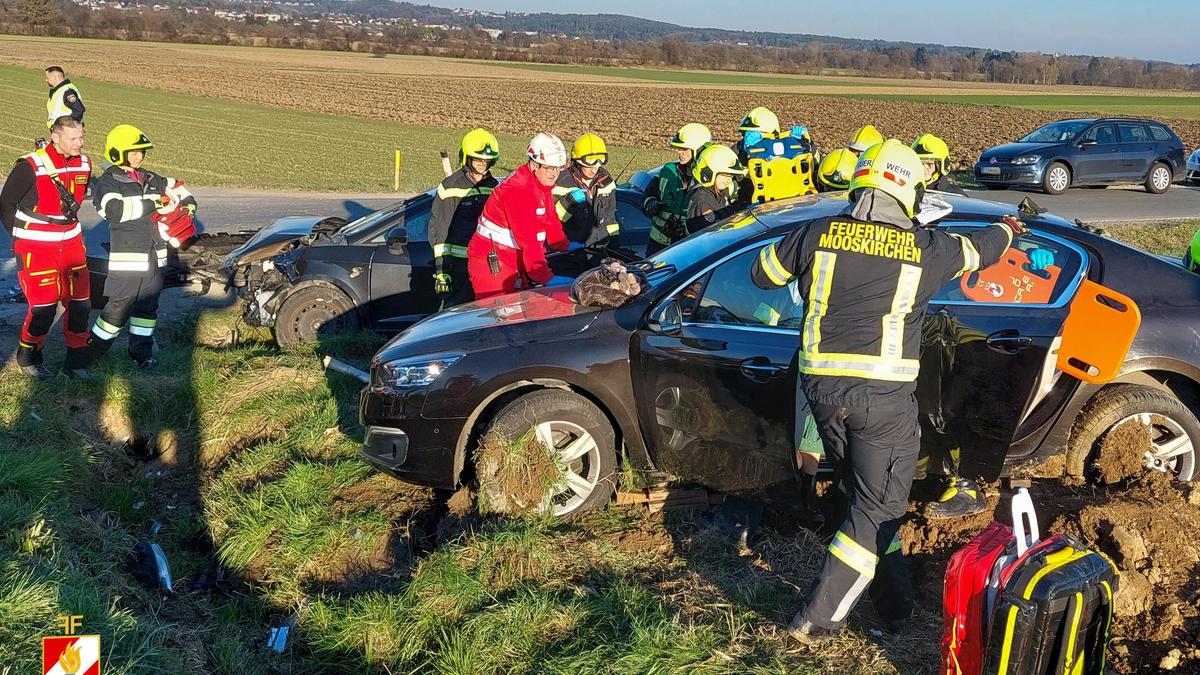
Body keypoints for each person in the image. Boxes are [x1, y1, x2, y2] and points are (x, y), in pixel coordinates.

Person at [750, 139, 1028, 642]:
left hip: (823, 394)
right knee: (878, 505)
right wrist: (1007, 229)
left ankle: (897, 607)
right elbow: (982, 251)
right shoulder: (927, 247)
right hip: (883, 403)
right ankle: (818, 619)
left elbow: (762, 273)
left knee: (868, 499)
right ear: (908, 193)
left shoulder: (817, 234)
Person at [86, 124, 197, 368]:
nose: (139, 156)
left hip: (154, 260)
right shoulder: (109, 181)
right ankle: (92, 353)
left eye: (141, 152)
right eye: (133, 152)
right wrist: (154, 203)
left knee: (147, 311)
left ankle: (142, 355)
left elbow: (179, 187)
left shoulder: (151, 178)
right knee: (117, 310)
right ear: (117, 153)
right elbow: (113, 210)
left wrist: (188, 207)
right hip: (128, 261)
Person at [0, 116, 93, 378]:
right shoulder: (31, 165)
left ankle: (76, 362)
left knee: (80, 304)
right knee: (43, 307)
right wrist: (18, 237)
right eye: (73, 138)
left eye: (82, 137)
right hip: (36, 246)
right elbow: (6, 204)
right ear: (55, 136)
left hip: (72, 243)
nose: (80, 143)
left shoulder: (85, 163)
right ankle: (29, 354)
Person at [467, 132, 571, 300]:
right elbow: (529, 240)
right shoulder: (519, 189)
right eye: (549, 168)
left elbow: (550, 221)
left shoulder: (542, 186)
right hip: (493, 262)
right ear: (534, 164)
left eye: (558, 168)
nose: (554, 173)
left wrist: (564, 245)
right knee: (498, 317)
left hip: (514, 260)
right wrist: (546, 278)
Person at [430, 128, 500, 308]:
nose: (482, 164)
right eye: (478, 159)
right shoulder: (450, 186)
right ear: (466, 157)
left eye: (486, 160)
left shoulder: (494, 186)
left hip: (486, 264)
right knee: (453, 314)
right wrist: (441, 271)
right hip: (458, 267)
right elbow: (440, 230)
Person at [644, 123, 712, 255]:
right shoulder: (667, 171)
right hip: (658, 245)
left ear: (699, 150)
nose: (679, 153)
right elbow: (648, 195)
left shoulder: (709, 179)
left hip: (689, 246)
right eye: (678, 149)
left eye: (684, 149)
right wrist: (650, 203)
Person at [736, 106, 817, 205]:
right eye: (745, 134)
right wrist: (744, 152)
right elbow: (737, 174)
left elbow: (815, 167)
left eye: (752, 133)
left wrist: (807, 144)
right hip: (757, 203)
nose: (747, 137)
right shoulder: (740, 150)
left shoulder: (793, 149)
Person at [554, 133, 619, 248]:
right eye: (589, 165)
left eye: (598, 165)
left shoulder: (606, 181)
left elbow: (610, 220)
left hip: (600, 250)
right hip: (571, 253)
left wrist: (614, 245)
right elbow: (552, 221)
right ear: (577, 161)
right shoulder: (562, 182)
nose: (594, 170)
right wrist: (568, 202)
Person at [685, 144, 746, 236]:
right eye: (724, 174)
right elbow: (713, 236)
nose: (728, 179)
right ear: (708, 172)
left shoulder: (721, 192)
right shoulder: (702, 202)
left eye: (730, 175)